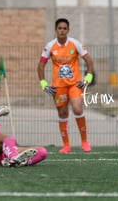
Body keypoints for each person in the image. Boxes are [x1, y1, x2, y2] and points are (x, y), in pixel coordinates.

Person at [37, 18, 94, 153]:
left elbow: (88, 60)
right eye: (59, 28)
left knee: (77, 109)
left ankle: (84, 142)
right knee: (62, 113)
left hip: (74, 84)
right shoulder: (50, 46)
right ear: (56, 30)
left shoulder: (74, 44)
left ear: (68, 30)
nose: (62, 31)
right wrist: (44, 83)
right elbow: (41, 65)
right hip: (58, 86)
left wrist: (88, 77)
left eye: (64, 28)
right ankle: (66, 145)